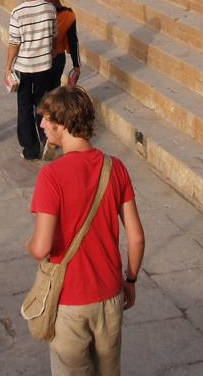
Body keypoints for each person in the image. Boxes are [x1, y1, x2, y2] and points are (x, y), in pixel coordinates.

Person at [26, 86, 145, 376]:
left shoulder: (51, 176)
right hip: (109, 296)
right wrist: (130, 280)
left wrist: (29, 245)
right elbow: (137, 238)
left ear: (63, 124)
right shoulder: (115, 168)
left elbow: (41, 248)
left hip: (69, 301)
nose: (42, 125)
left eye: (46, 119)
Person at [5, 0, 57, 160]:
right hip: (44, 64)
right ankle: (47, 139)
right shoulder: (50, 9)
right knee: (43, 103)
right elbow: (54, 35)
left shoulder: (18, 12)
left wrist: (8, 66)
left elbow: (14, 43)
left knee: (25, 106)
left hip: (24, 67)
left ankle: (30, 148)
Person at [40, 0, 81, 91]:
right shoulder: (69, 15)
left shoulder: (42, 13)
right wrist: (76, 65)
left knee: (41, 92)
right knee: (54, 89)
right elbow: (73, 41)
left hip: (43, 58)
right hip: (59, 59)